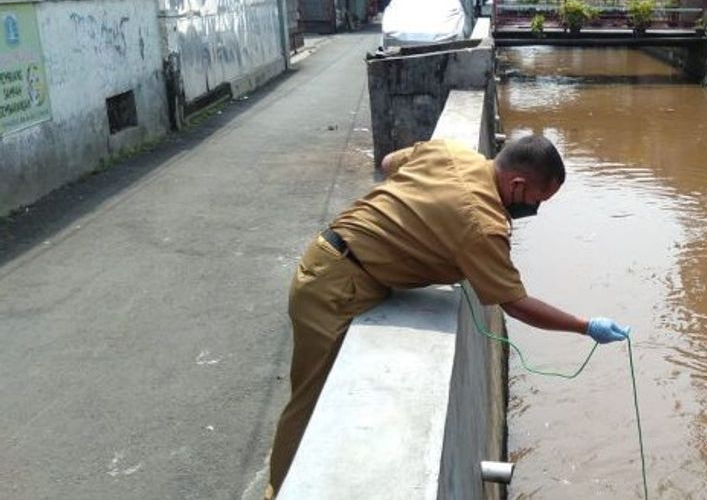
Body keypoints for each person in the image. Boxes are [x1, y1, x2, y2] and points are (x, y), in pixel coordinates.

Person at [263, 135, 629, 498]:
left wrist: (417, 220)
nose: (536, 209)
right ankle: (278, 492)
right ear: (517, 185)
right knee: (310, 403)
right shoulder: (483, 224)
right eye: (538, 200)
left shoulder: (451, 152)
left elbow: (390, 163)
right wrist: (585, 326)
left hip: (335, 260)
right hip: (335, 288)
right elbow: (515, 303)